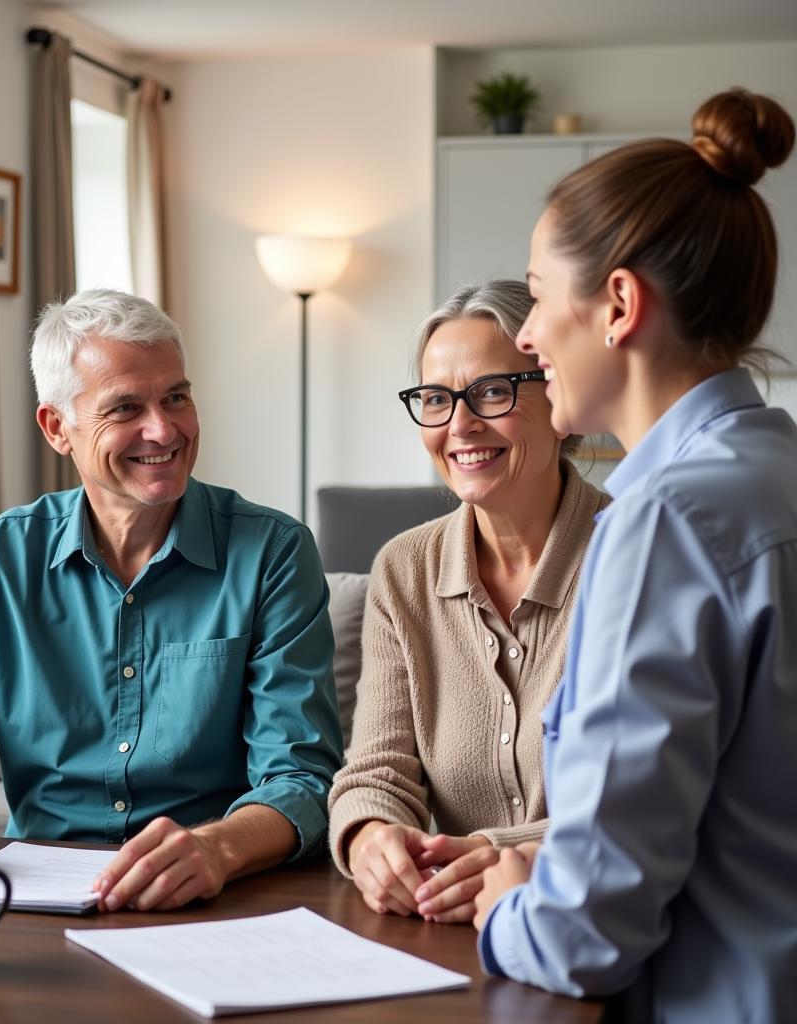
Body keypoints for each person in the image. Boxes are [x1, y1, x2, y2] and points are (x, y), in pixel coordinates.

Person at [0, 289, 343, 913]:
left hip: (213, 897)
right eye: (126, 407)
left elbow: (302, 779)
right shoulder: (3, 557)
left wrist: (217, 848)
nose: (164, 428)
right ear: (57, 428)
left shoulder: (273, 552)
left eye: (176, 396)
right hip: (31, 907)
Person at [473, 89, 797, 1021]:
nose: (527, 339)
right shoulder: (772, 474)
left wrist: (508, 910)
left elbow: (587, 940)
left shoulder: (666, 521)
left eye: (535, 297)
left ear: (618, 304)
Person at [328, 280, 608, 924]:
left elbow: (644, 804)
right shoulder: (403, 569)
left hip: (596, 923)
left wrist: (492, 852)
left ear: (554, 392)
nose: (459, 425)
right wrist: (371, 837)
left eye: (490, 391)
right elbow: (375, 770)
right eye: (435, 398)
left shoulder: (634, 555)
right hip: (446, 925)